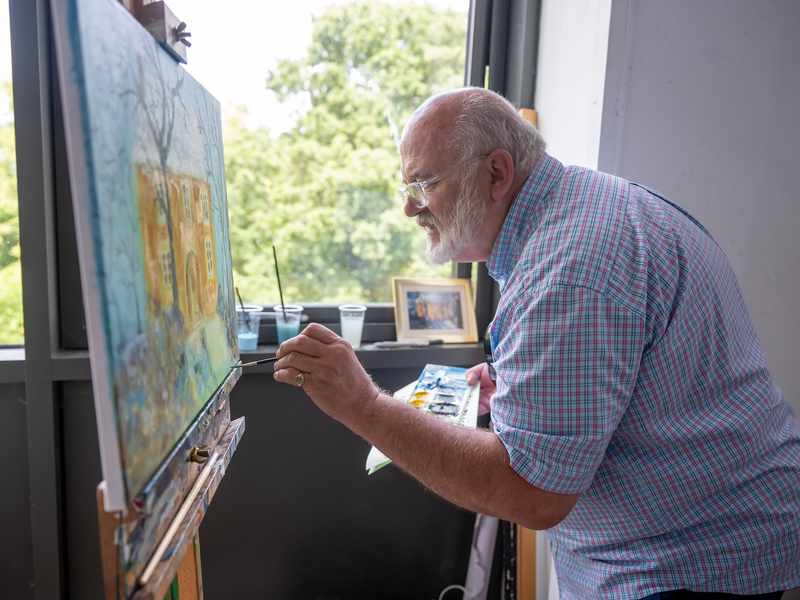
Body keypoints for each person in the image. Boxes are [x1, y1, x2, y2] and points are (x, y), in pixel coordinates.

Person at [273, 88, 800, 599]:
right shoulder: (578, 208)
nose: (412, 209)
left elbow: (531, 492)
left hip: (685, 568)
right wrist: (519, 390)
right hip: (705, 536)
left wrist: (363, 406)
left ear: (497, 173)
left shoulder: (567, 270)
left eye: (424, 184)